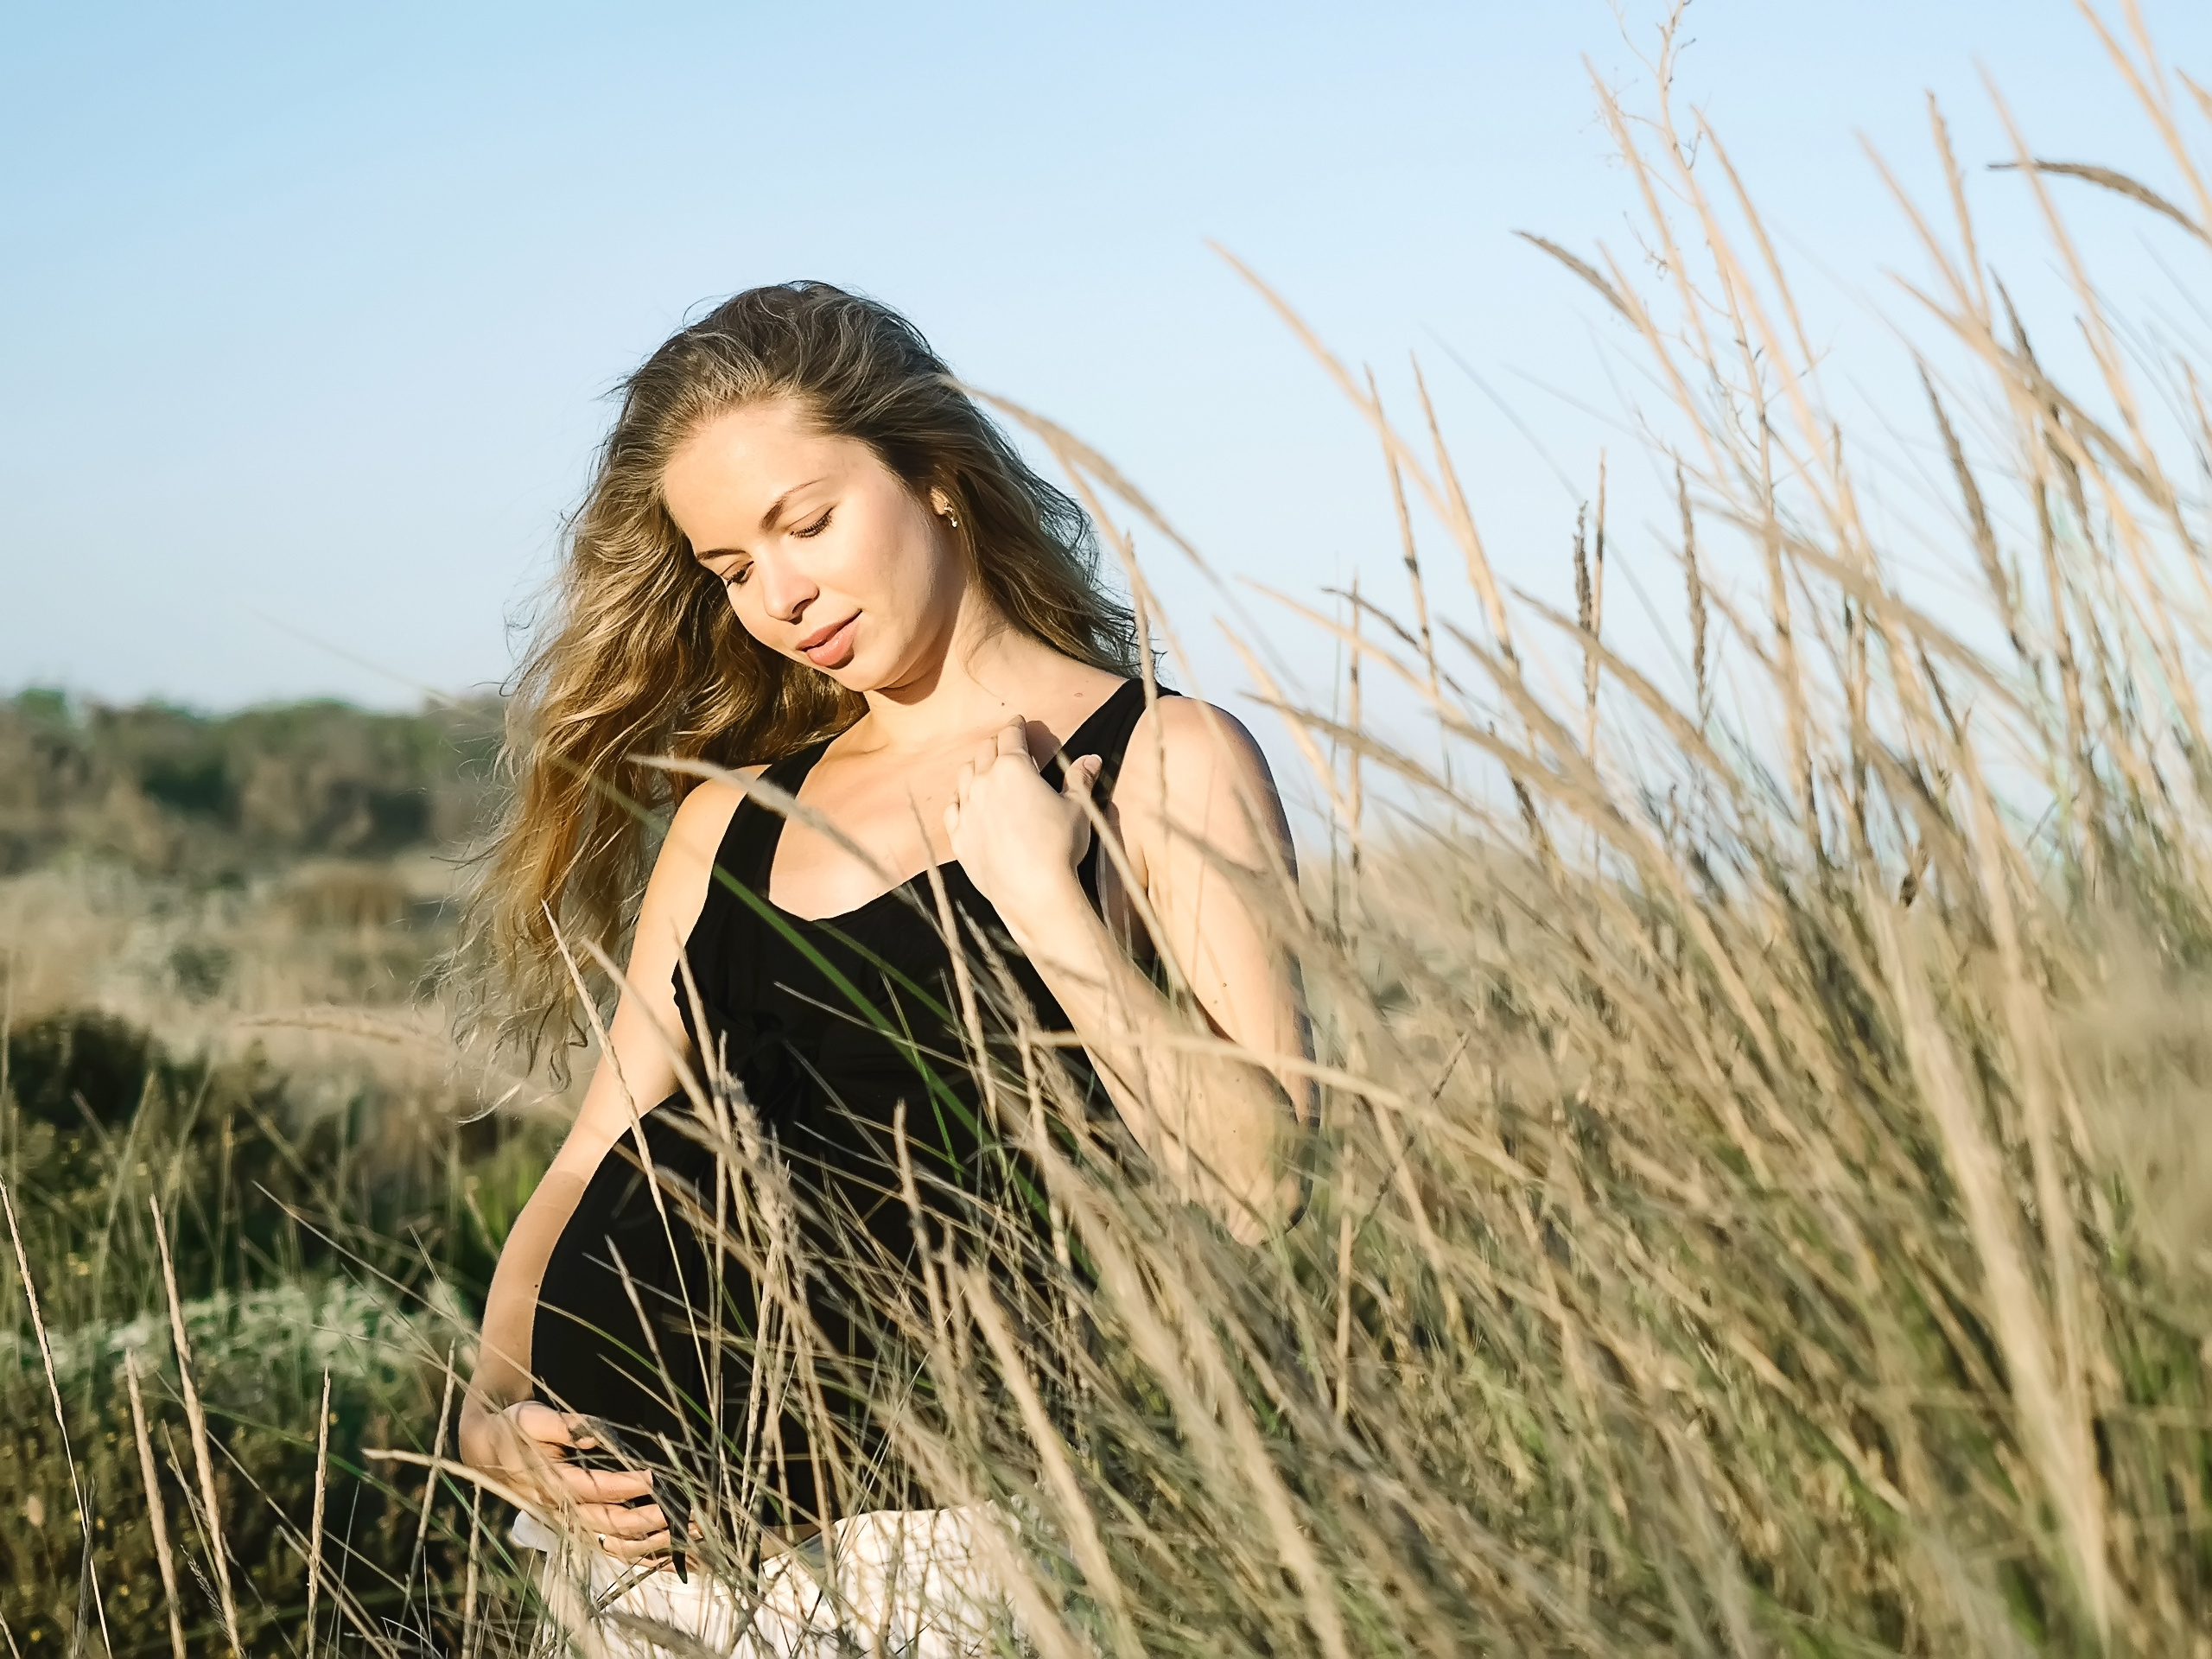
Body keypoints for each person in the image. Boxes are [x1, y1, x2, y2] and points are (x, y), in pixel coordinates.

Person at [454, 281, 1312, 1653]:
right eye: (733, 569)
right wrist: (493, 1406)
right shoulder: (727, 816)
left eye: (808, 524)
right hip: (628, 1564)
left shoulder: (1164, 761)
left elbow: (1265, 1181)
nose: (783, 596)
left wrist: (1048, 905)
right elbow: (589, 1157)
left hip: (947, 1561)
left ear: (937, 477)